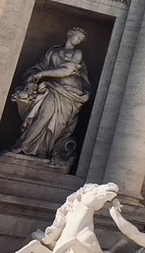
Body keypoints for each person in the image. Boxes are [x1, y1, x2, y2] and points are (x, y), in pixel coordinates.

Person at [10, 28, 91, 161]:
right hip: (53, 89)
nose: (78, 40)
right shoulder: (53, 52)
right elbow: (39, 67)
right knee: (44, 115)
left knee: (59, 124)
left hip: (70, 92)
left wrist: (42, 74)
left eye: (81, 39)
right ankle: (26, 146)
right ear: (69, 34)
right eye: (77, 37)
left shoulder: (77, 53)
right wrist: (33, 76)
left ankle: (42, 149)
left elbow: (67, 71)